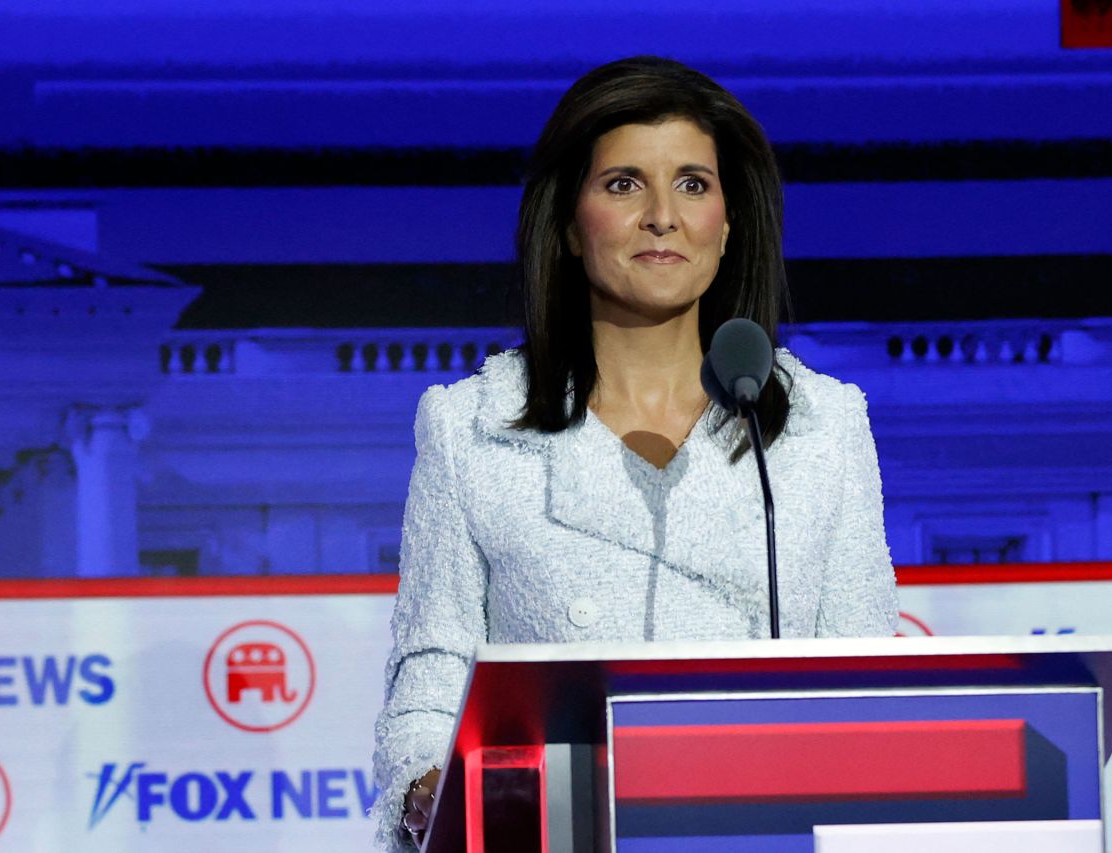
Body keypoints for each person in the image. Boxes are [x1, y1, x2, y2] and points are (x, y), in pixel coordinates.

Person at [372, 56, 897, 851]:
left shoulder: (822, 425)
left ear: (728, 225)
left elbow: (865, 683)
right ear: (569, 228)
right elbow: (430, 680)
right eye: (623, 184)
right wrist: (431, 786)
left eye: (692, 184)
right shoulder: (471, 426)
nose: (663, 216)